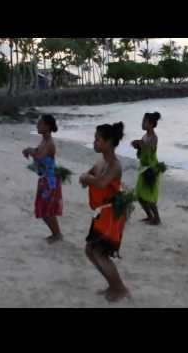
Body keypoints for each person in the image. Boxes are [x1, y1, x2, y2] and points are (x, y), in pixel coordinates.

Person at [79, 122, 130, 302]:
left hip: (111, 215)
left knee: (100, 253)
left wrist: (87, 178)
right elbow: (91, 175)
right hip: (101, 213)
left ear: (108, 143)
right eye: (94, 138)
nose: (94, 142)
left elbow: (101, 183)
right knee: (90, 250)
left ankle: (120, 289)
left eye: (97, 139)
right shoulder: (101, 161)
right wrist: (85, 178)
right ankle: (113, 285)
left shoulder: (114, 165)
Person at [22, 114, 63, 244]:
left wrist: (30, 150)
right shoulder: (44, 140)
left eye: (40, 123)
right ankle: (56, 234)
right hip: (45, 179)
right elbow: (38, 151)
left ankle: (57, 234)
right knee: (44, 208)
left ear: (48, 126)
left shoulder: (50, 143)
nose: (37, 125)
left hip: (51, 181)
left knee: (47, 209)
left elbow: (39, 156)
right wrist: (30, 150)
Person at [132, 112, 162, 225]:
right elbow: (141, 153)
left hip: (151, 168)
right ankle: (150, 216)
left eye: (144, 121)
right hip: (143, 166)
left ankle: (157, 218)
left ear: (151, 124)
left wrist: (140, 145)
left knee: (148, 195)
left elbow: (149, 151)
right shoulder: (144, 136)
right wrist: (137, 146)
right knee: (139, 195)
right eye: (142, 121)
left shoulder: (154, 137)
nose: (142, 123)